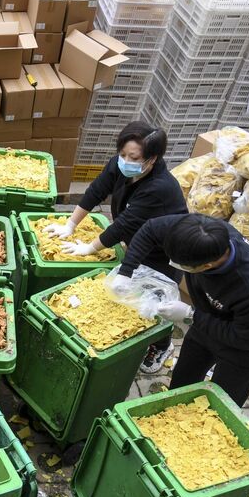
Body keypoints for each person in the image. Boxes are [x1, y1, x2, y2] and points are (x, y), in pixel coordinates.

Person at [46, 122, 188, 373]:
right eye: (122, 154)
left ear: (152, 159)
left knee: (153, 302)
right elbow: (97, 190)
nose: (124, 161)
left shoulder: (160, 188)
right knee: (128, 294)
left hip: (162, 254)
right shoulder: (121, 165)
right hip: (135, 241)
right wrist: (70, 224)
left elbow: (124, 224)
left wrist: (90, 248)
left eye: (133, 157)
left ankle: (163, 344)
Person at [112, 213, 249, 406]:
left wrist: (190, 314)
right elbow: (150, 228)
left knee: (222, 400)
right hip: (207, 316)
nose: (174, 265)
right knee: (184, 378)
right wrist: (126, 272)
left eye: (181, 265)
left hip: (248, 339)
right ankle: (174, 413)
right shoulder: (196, 232)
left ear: (207, 265)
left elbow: (244, 339)